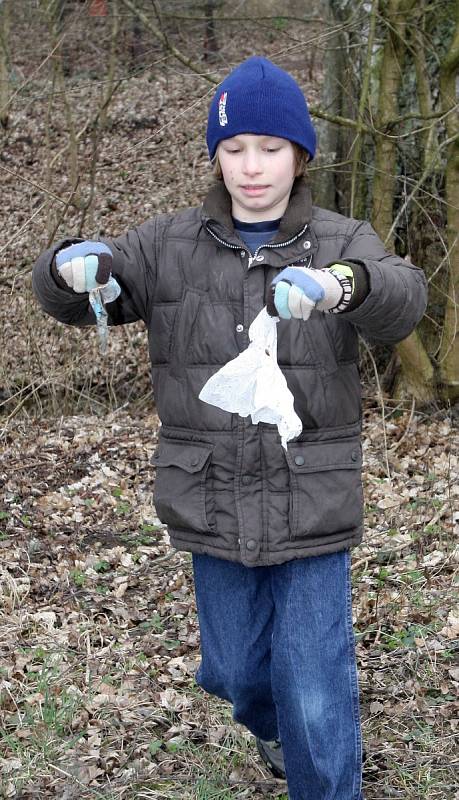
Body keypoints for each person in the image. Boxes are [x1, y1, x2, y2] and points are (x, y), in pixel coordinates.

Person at [32, 56, 427, 800]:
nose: (252, 167)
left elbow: (401, 297)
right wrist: (68, 269)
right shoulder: (168, 243)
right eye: (235, 147)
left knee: (314, 680)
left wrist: (339, 285)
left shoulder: (341, 240)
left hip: (310, 497)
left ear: (299, 156)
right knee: (236, 671)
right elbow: (95, 286)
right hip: (208, 496)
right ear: (215, 155)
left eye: (270, 148)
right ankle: (269, 727)